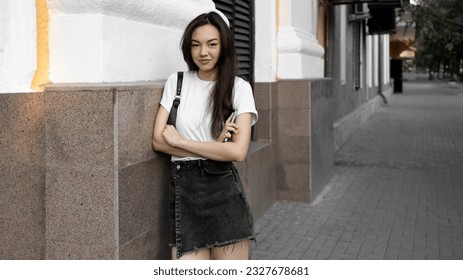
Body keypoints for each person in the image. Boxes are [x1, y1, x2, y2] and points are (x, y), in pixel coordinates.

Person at [152, 11, 258, 260]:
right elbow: (158, 141)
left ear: (224, 46)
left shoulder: (239, 89)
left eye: (212, 44)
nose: (203, 52)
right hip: (184, 193)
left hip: (223, 194)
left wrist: (179, 142)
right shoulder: (176, 83)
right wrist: (214, 146)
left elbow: (237, 151)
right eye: (196, 45)